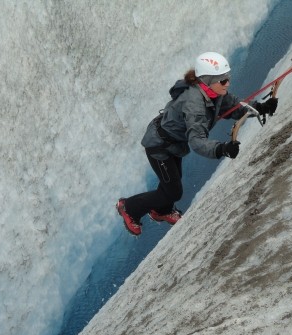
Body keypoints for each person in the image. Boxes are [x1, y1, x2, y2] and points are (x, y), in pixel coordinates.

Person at [116, 52, 277, 236]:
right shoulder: (195, 104)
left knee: (171, 183)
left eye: (228, 78)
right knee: (173, 191)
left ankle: (161, 211)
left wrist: (261, 107)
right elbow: (197, 141)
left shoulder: (214, 93)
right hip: (160, 146)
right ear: (208, 81)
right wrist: (221, 148)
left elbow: (233, 106)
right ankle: (129, 207)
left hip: (173, 143)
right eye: (223, 80)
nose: (228, 83)